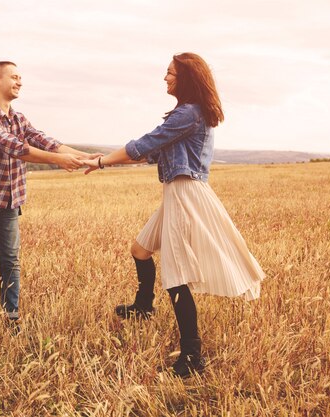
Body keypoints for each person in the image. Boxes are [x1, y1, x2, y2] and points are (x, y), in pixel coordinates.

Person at [82, 53, 265, 378]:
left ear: (187, 78)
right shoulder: (188, 114)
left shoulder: (188, 114)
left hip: (185, 194)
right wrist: (105, 159)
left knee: (176, 275)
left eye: (170, 73)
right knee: (139, 249)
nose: (165, 78)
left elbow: (143, 144)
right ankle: (143, 307)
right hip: (177, 192)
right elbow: (149, 152)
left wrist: (101, 163)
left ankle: (192, 355)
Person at [0, 61, 100, 332]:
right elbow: (15, 148)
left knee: (11, 260)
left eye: (21, 77)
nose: (20, 81)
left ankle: (11, 317)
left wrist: (85, 156)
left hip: (9, 201)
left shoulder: (19, 119)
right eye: (14, 76)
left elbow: (45, 141)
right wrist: (58, 160)